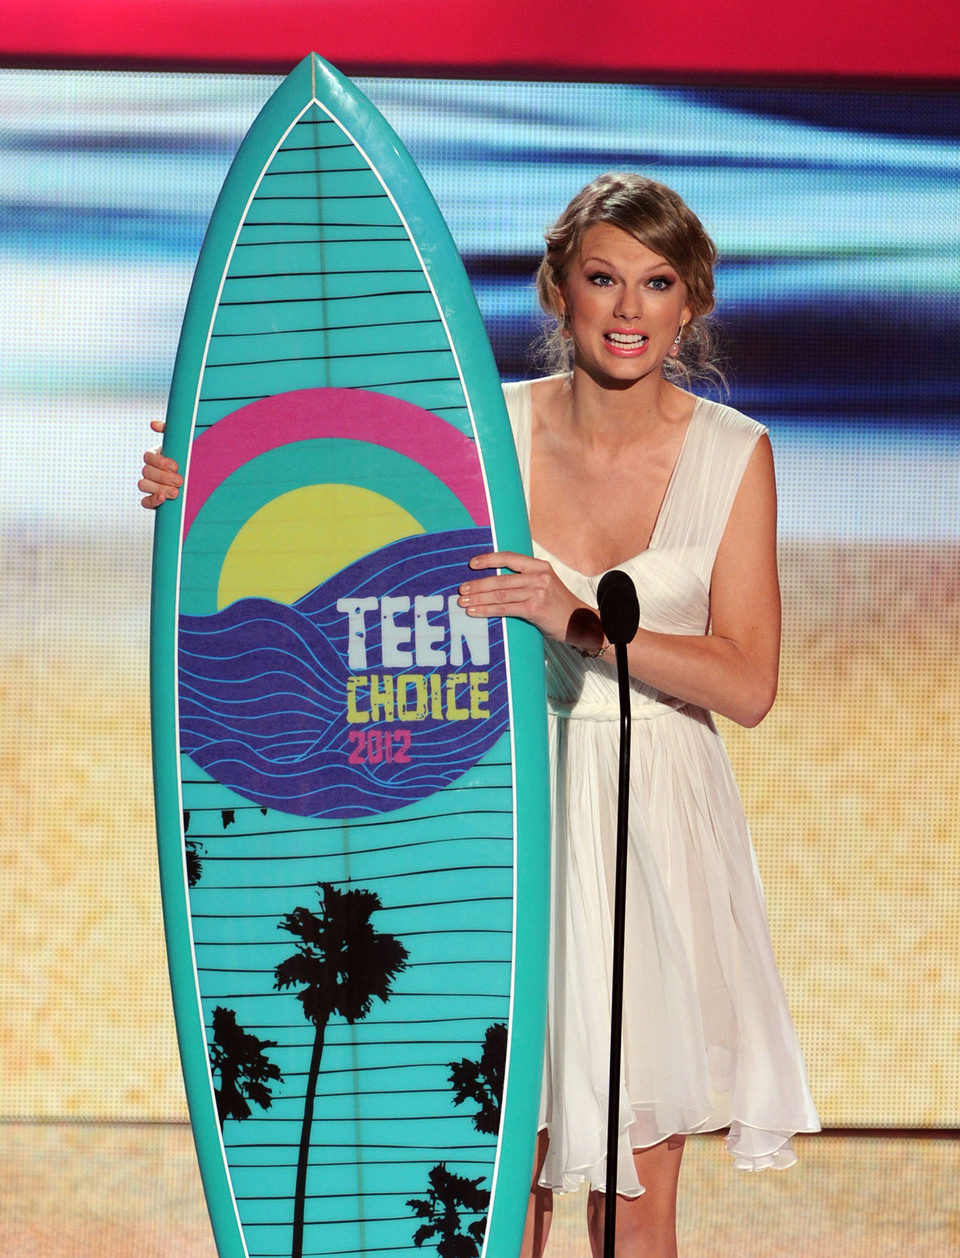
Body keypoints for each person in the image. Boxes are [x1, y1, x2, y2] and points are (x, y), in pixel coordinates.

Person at [141, 173, 819, 1258]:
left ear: (692, 302)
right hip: (494, 817)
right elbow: (343, 539)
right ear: (558, 289)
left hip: (652, 831)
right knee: (493, 1194)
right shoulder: (477, 430)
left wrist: (584, 619)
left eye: (657, 283)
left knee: (635, 1212)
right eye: (603, 278)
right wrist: (208, 488)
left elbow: (747, 683)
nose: (629, 308)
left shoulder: (736, 454)